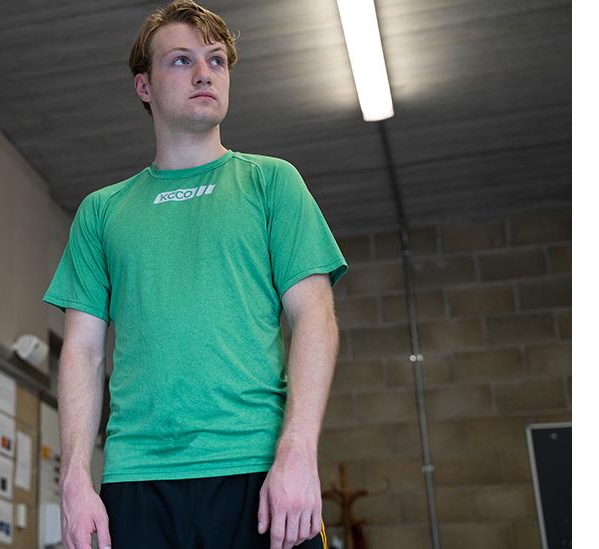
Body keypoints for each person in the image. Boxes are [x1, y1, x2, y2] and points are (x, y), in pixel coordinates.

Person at [43, 2, 347, 548]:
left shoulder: (271, 182)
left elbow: (314, 318)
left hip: (257, 471)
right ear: (144, 85)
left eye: (217, 60)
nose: (205, 73)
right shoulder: (101, 212)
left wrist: (299, 452)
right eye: (181, 60)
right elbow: (83, 352)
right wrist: (75, 481)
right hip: (136, 479)